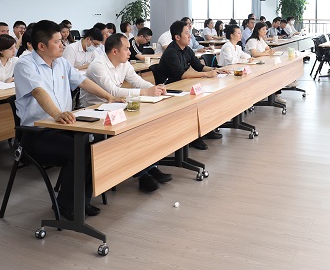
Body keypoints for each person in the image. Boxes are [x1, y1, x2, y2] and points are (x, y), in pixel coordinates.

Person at [14, 20, 123, 220]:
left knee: (95, 144)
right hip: (37, 133)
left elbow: (83, 81)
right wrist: (56, 114)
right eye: (57, 42)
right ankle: (65, 206)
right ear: (41, 46)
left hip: (64, 126)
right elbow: (38, 92)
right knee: (80, 150)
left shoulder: (61, 62)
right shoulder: (25, 64)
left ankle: (82, 200)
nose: (63, 45)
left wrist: (109, 97)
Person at [82, 33, 170, 191]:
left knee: (144, 125)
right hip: (96, 111)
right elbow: (113, 91)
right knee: (131, 131)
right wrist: (144, 92)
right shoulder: (98, 65)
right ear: (114, 51)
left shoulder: (124, 63)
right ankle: (144, 175)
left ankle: (150, 167)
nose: (130, 52)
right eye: (127, 49)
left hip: (116, 107)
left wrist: (154, 88)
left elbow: (137, 81)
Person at [155, 21, 228, 150]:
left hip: (183, 85)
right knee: (196, 101)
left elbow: (198, 66)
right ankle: (194, 137)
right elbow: (181, 74)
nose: (190, 36)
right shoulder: (171, 52)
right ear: (177, 37)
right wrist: (205, 75)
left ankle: (206, 130)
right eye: (187, 33)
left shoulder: (187, 49)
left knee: (206, 97)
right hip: (171, 89)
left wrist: (215, 70)